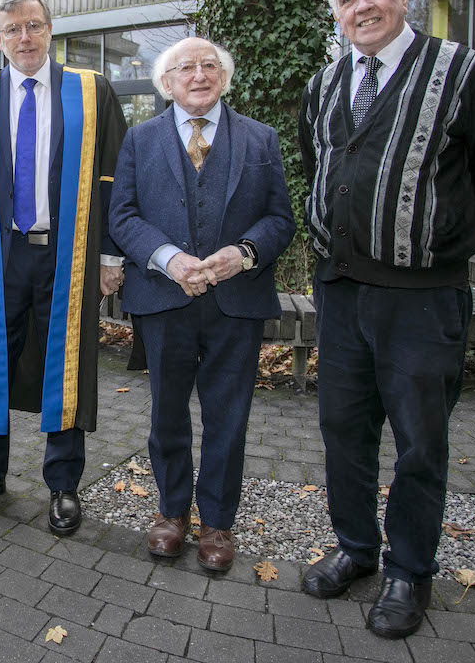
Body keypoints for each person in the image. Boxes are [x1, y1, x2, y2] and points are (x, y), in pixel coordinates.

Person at [298, 0, 475, 638]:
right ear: (335, 11)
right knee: (344, 430)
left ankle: (409, 570)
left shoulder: (462, 71)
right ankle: (356, 549)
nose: (362, 7)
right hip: (340, 292)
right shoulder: (326, 82)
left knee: (421, 440)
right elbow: (319, 163)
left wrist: (432, 235)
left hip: (423, 298)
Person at [0, 0, 127, 534]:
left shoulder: (92, 92)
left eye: (35, 25)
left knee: (64, 364)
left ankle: (63, 483)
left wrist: (110, 255)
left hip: (69, 253)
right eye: (13, 29)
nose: (25, 37)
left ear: (50, 30)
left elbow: (113, 178)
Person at [109, 37, 295, 571]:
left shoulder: (261, 139)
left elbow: (281, 220)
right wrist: (168, 259)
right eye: (184, 68)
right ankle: (171, 513)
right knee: (167, 413)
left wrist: (245, 252)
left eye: (209, 66)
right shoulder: (140, 140)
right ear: (166, 83)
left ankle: (217, 522)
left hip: (236, 302)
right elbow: (121, 216)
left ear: (224, 78)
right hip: (164, 300)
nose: (198, 75)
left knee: (228, 417)